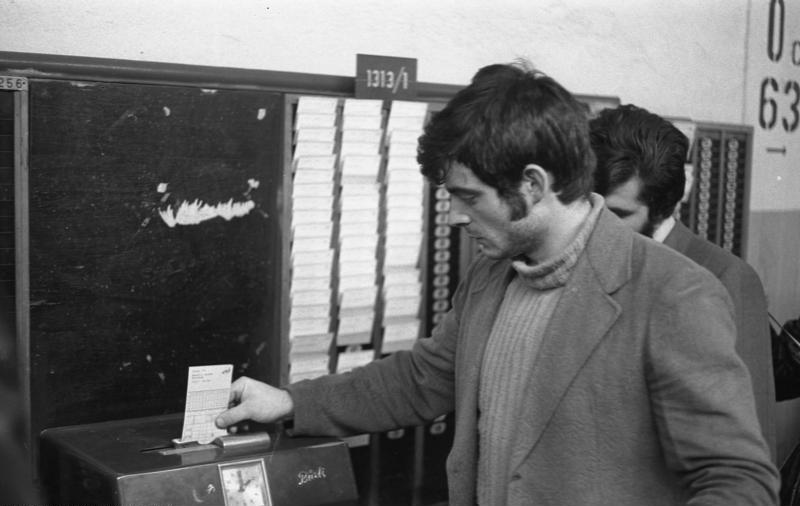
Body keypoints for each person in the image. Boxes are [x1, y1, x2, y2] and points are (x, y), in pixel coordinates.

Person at [217, 62, 779, 505]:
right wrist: (290, 400)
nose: (456, 217)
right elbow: (421, 379)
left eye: (468, 196)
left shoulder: (673, 293)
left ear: (532, 184)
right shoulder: (493, 275)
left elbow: (738, 481)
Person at [588, 104, 777, 460]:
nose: (595, 228)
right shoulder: (584, 263)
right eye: (588, 209)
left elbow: (751, 450)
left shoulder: (725, 278)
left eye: (618, 214)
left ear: (662, 209)